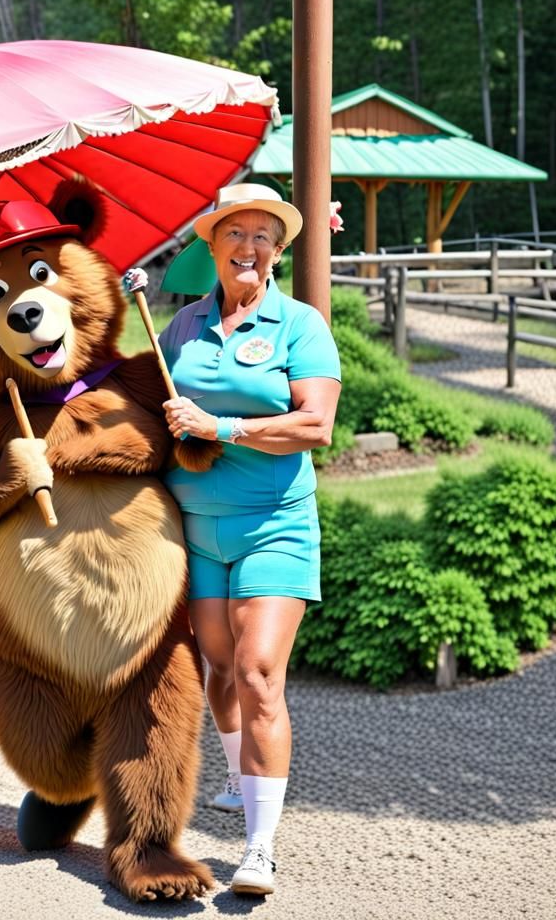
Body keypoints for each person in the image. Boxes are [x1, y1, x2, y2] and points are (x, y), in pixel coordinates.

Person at [158, 182, 341, 897]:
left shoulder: (299, 325)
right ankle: (239, 777)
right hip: (196, 530)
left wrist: (222, 428)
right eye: (235, 233)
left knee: (259, 670)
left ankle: (259, 848)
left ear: (279, 250)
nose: (249, 246)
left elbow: (315, 426)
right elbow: (150, 410)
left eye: (264, 235)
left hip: (275, 525)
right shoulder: (182, 327)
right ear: (212, 245)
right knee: (220, 665)